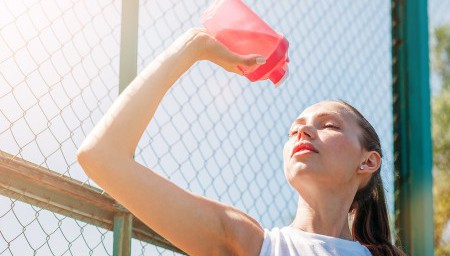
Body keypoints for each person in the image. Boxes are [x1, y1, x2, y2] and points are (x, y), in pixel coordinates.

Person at [76, 28, 406, 256]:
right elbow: (101, 155)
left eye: (329, 125)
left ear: (368, 161)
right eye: (294, 130)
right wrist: (194, 46)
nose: (303, 132)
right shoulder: (249, 243)